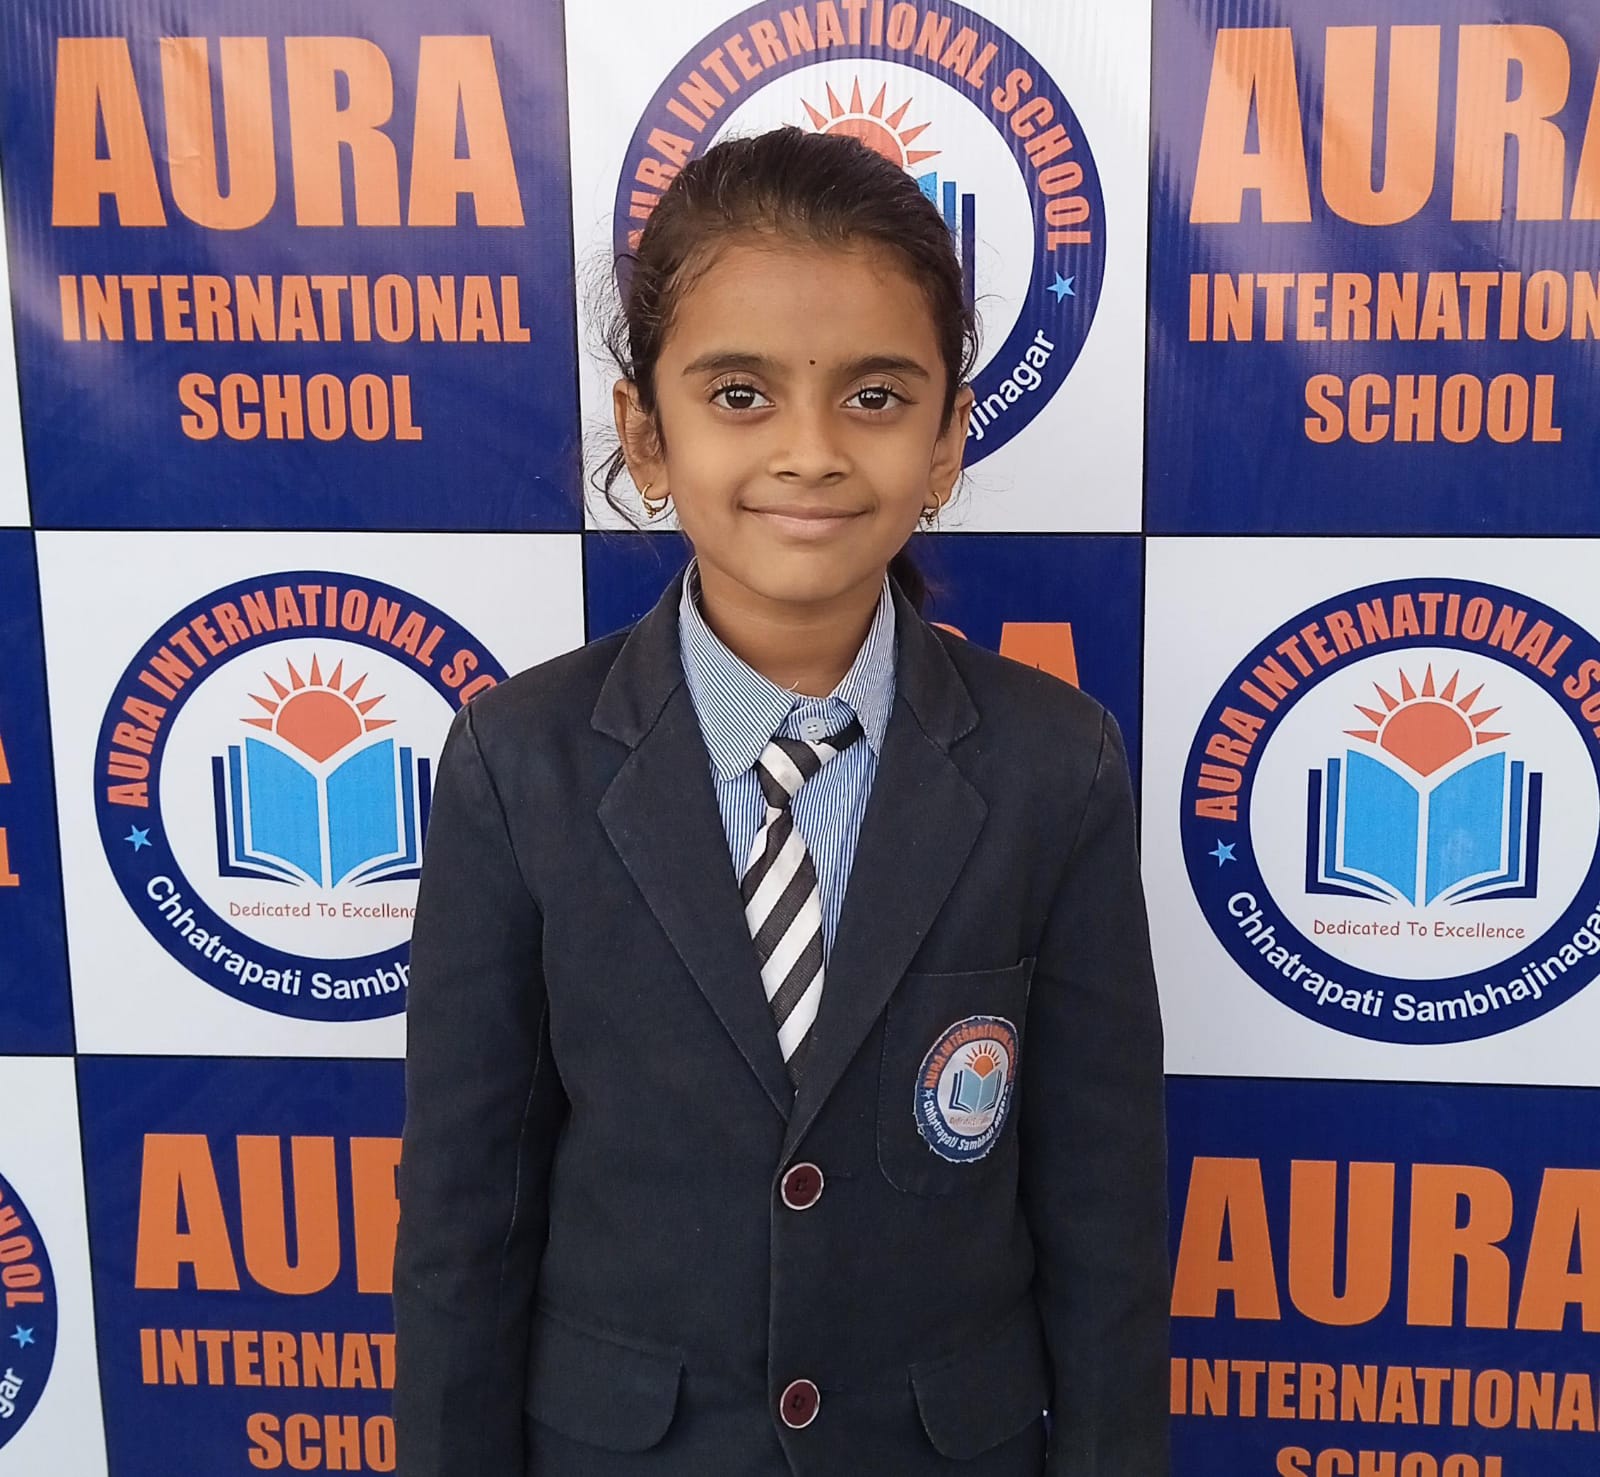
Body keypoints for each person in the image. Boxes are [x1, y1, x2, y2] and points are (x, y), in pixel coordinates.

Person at [392, 126, 1168, 1476]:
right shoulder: (519, 765)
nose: (809, 452)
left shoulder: (1058, 766)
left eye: (875, 396)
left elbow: (1104, 1217)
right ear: (647, 434)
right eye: (740, 394)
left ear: (946, 440)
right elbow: (467, 1219)